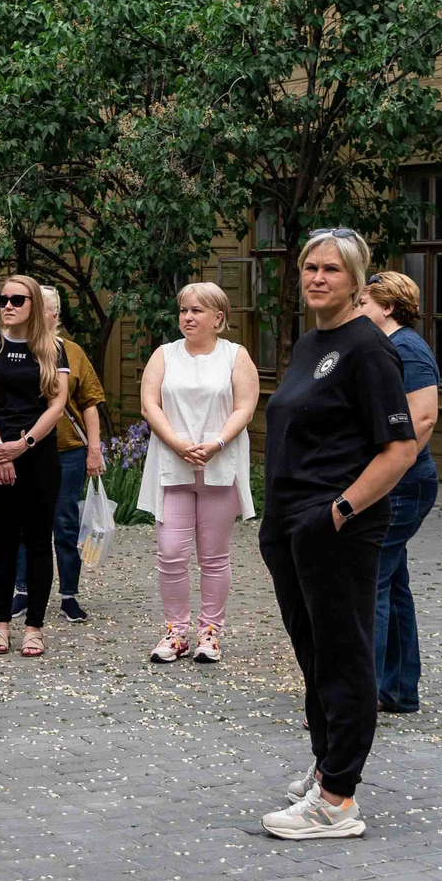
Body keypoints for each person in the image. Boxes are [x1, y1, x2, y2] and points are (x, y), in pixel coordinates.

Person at [259, 228, 418, 841]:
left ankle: (338, 800)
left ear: (356, 280)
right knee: (313, 652)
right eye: (309, 267)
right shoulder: (310, 344)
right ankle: (327, 763)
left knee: (344, 652)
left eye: (331, 269)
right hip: (291, 524)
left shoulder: (369, 350)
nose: (317, 277)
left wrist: (341, 512)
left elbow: (400, 448)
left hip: (336, 527)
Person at [137, 282, 257, 664]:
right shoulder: (164, 354)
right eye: (184, 310)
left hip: (219, 466)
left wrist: (218, 442)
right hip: (174, 465)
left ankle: (210, 632)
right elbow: (149, 404)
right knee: (171, 552)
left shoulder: (236, 356)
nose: (187, 317)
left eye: (197, 311)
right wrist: (176, 442)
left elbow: (245, 407)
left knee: (214, 556)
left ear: (218, 318)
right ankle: (176, 631)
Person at [0, 274, 69, 657]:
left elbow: (57, 407)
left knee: (38, 542)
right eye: (3, 300)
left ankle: (34, 627)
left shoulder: (53, 349)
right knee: (3, 544)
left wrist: (22, 445)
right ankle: (1, 626)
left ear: (33, 306)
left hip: (38, 458)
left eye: (17, 300)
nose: (7, 306)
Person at [360, 272, 442, 715]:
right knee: (392, 585)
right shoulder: (389, 346)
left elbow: (423, 420)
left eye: (364, 302)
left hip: (403, 486)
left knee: (369, 584)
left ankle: (361, 696)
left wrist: (387, 472)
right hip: (396, 483)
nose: (357, 309)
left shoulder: (407, 349)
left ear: (388, 307)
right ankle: (398, 688)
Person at [13, 285, 105, 623]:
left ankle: (69, 595)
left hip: (68, 451)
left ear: (54, 315)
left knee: (65, 525)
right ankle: (22, 591)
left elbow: (90, 404)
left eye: (42, 309)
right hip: (24, 450)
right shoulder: (14, 352)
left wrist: (94, 450)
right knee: (24, 524)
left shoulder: (74, 353)